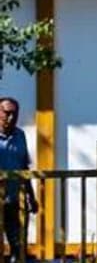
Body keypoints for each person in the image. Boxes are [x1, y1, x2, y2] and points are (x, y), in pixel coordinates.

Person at [0, 98, 38, 263]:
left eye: (14, 114)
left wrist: (31, 196)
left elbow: (24, 167)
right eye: (7, 113)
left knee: (19, 246)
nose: (11, 117)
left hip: (16, 200)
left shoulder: (20, 135)